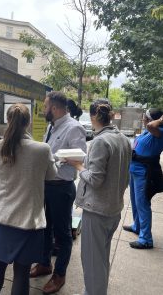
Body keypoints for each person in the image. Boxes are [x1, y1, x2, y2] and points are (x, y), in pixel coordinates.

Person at [0, 103, 57, 295]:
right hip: (29, 222)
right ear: (29, 123)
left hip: (1, 218)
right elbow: (51, 176)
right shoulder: (42, 149)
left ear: (8, 121)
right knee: (22, 273)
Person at [67, 99, 132, 295]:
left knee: (93, 262)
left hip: (97, 211)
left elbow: (94, 179)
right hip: (113, 209)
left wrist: (77, 165)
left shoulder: (100, 141)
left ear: (94, 116)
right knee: (101, 258)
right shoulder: (122, 139)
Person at [30, 91, 86, 294]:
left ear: (54, 108)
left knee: (62, 235)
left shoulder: (74, 128)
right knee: (45, 227)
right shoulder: (51, 127)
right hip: (46, 185)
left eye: (45, 107)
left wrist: (57, 158)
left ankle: (59, 275)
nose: (43, 110)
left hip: (61, 188)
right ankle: (44, 263)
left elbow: (80, 159)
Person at [123, 108, 163, 249]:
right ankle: (137, 226)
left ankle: (146, 239)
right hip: (134, 171)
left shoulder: (158, 132)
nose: (143, 120)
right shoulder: (147, 132)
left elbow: (151, 126)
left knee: (143, 204)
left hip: (144, 173)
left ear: (152, 120)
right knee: (135, 201)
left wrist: (161, 120)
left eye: (146, 117)